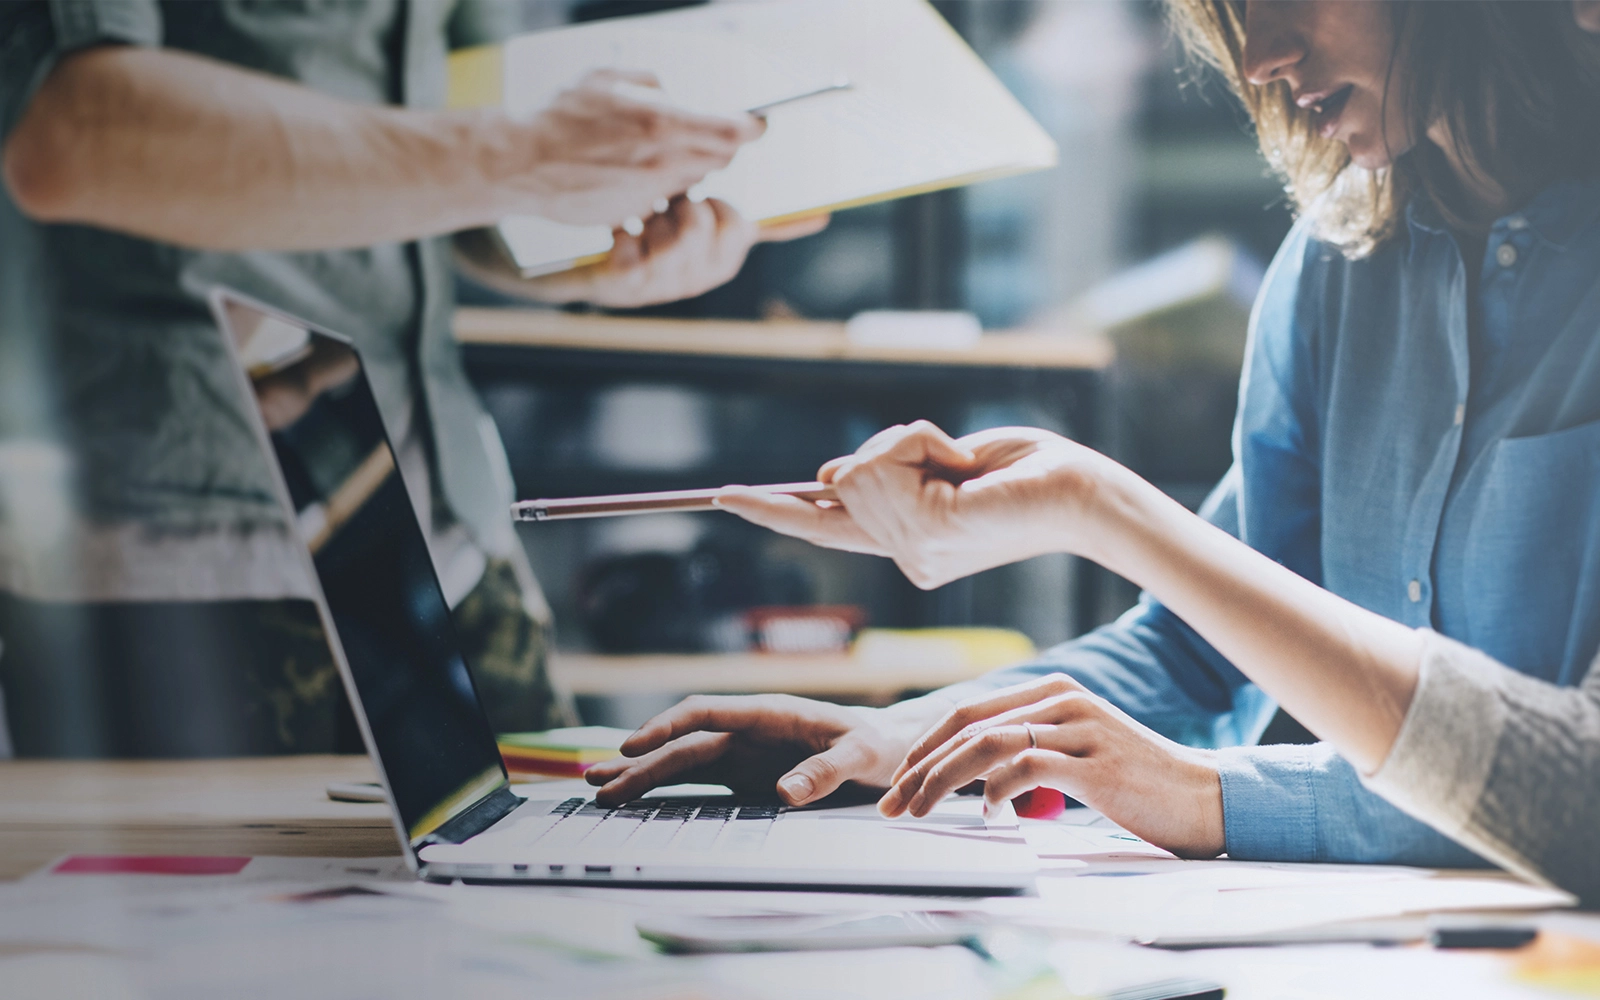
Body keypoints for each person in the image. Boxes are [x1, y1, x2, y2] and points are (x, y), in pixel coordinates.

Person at [586, 0, 1600, 887]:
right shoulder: (1340, 262)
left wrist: (1203, 790)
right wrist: (896, 738)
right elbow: (1200, 655)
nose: (1259, 57)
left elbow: (1580, 790)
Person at [0, 0, 821, 757]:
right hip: (198, 552)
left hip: (452, 520)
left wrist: (598, 262)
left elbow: (467, 169)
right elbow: (70, 132)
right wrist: (528, 154)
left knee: (569, 893)